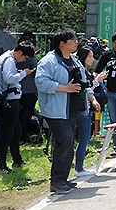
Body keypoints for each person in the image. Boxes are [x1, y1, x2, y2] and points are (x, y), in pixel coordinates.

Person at [35, 29, 87, 194]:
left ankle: (62, 179)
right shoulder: (48, 61)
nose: (76, 41)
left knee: (68, 143)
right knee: (65, 140)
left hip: (71, 108)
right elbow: (41, 82)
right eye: (72, 39)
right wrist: (65, 88)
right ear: (62, 43)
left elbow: (83, 79)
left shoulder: (74, 60)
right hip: (55, 110)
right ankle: (57, 181)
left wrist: (89, 96)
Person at [0, 42, 35, 173]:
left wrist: (18, 73)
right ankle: (0, 166)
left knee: (16, 133)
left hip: (10, 101)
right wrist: (24, 73)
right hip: (7, 102)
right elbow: (8, 78)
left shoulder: (7, 58)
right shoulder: (9, 60)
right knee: (6, 135)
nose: (23, 61)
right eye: (24, 58)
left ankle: (17, 160)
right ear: (20, 53)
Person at [72, 46, 105, 177]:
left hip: (85, 107)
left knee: (84, 138)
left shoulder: (83, 70)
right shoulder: (81, 72)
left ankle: (79, 166)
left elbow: (88, 90)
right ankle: (79, 168)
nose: (92, 59)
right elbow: (86, 88)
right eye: (90, 56)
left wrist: (93, 100)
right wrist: (97, 81)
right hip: (82, 108)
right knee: (84, 138)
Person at [16, 32, 39, 143]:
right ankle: (21, 136)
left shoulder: (15, 53)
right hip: (29, 89)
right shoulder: (30, 55)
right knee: (26, 113)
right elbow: (36, 69)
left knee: (18, 113)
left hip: (16, 88)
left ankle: (16, 136)